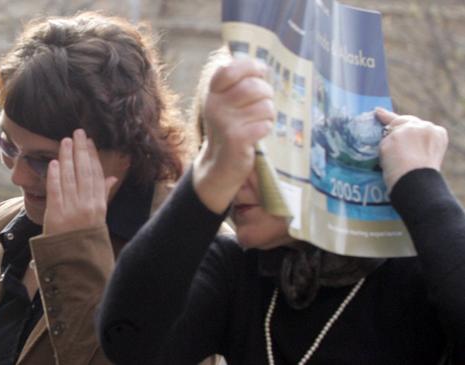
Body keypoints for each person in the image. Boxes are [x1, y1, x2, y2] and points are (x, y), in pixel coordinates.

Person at [97, 52, 465, 364]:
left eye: (256, 151)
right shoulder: (236, 268)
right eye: (220, 150)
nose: (235, 175)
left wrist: (420, 183)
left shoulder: (411, 270)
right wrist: (205, 182)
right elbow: (127, 341)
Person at [0, 12, 191, 365]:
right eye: (8, 145)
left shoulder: (185, 246)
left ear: (125, 150)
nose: (19, 177)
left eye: (46, 160)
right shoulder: (5, 224)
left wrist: (75, 251)